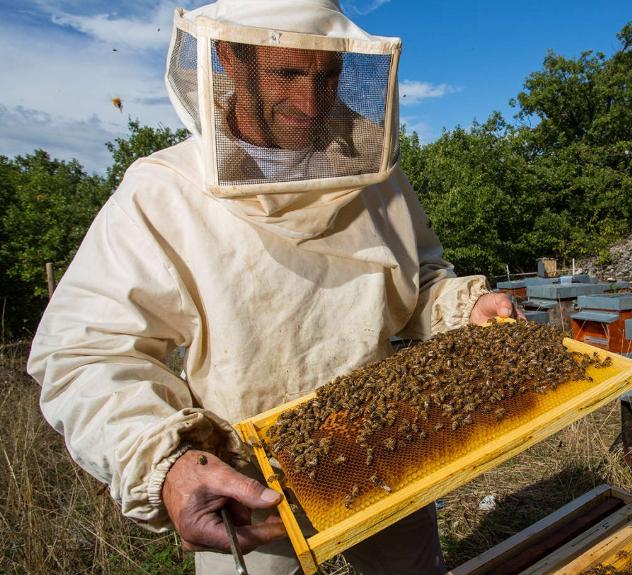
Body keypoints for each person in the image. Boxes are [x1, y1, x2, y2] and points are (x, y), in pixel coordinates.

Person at [27, 1, 520, 574]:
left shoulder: (375, 174)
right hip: (243, 478)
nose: (311, 102)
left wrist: (465, 308)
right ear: (231, 58)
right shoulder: (161, 193)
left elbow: (417, 286)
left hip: (389, 439)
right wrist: (165, 463)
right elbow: (87, 351)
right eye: (287, 73)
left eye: (327, 76)